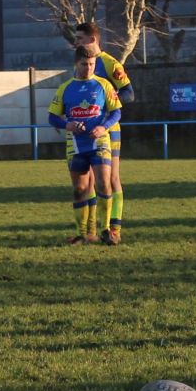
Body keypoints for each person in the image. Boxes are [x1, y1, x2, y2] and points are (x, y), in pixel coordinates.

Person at [47, 45, 121, 245]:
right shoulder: (65, 88)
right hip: (76, 145)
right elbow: (52, 118)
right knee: (79, 190)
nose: (88, 68)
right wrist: (67, 124)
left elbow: (116, 112)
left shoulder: (104, 85)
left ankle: (106, 230)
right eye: (84, 64)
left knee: (103, 183)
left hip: (99, 142)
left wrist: (103, 127)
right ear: (76, 64)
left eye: (91, 64)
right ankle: (82, 234)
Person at [76, 22, 134, 244]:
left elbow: (129, 93)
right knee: (87, 180)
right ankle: (90, 232)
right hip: (84, 133)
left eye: (80, 38)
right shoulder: (80, 64)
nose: (76, 42)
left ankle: (114, 229)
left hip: (109, 129)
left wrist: (110, 105)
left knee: (111, 178)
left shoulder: (110, 63)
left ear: (93, 40)